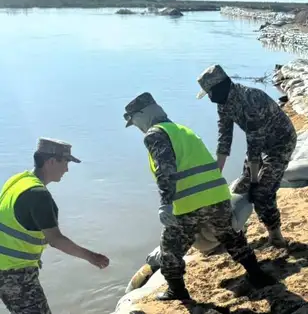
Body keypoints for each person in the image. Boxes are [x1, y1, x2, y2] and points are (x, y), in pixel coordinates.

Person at [124, 92, 274, 301]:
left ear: (142, 115)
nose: (137, 127)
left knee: (170, 250)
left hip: (189, 204)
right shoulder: (181, 130)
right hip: (217, 196)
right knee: (232, 237)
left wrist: (165, 204)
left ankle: (177, 291)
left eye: (134, 121)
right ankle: (258, 276)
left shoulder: (154, 135)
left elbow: (165, 170)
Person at [0, 138, 109, 314]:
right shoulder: (39, 195)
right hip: (14, 273)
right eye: (65, 163)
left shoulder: (18, 180)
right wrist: (92, 257)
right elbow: (56, 240)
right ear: (51, 162)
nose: (66, 169)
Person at [196, 64, 297, 248]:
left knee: (261, 192)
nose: (210, 98)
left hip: (280, 143)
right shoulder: (224, 104)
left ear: (220, 87)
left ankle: (276, 236)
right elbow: (224, 139)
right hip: (260, 145)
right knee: (239, 188)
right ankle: (236, 230)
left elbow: (254, 146)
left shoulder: (250, 101)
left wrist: (254, 181)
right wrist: (215, 175)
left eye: (210, 92)